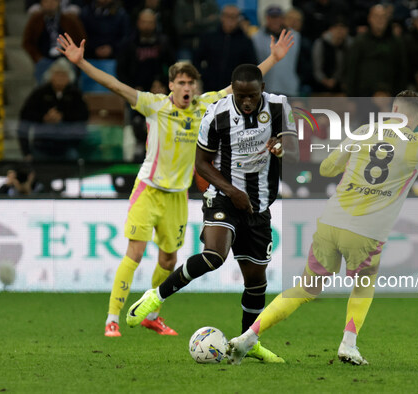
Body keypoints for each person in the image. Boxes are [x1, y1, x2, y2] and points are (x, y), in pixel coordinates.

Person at [57, 29, 293, 338]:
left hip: (178, 195)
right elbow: (114, 84)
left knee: (169, 259)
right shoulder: (154, 105)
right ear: (171, 85)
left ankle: (152, 315)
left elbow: (243, 86)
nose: (186, 87)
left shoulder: (207, 106)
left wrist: (273, 59)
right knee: (136, 252)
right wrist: (81, 64)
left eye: (190, 82)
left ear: (196, 87)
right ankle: (112, 318)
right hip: (149, 188)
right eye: (180, 82)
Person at [225, 91, 418, 365]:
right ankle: (348, 344)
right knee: (363, 283)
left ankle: (249, 336)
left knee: (304, 289)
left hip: (331, 222)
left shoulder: (365, 131)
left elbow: (326, 168)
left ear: (393, 109)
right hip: (367, 231)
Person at [125, 64, 299, 363]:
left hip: (259, 204)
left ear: (262, 89)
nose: (247, 102)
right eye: (241, 96)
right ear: (232, 88)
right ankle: (157, 295)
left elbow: (294, 144)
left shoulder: (279, 106)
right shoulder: (216, 114)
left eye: (252, 96)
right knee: (214, 256)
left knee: (256, 280)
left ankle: (249, 342)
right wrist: (232, 192)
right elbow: (202, 163)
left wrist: (283, 146)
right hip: (223, 196)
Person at [17, 58, 89, 161]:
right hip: (41, 145)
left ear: (69, 78)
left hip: (68, 145)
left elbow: (83, 115)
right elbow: (25, 116)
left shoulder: (75, 94)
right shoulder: (39, 93)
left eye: (63, 75)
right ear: (50, 76)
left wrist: (63, 117)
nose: (60, 78)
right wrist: (44, 117)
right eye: (57, 74)